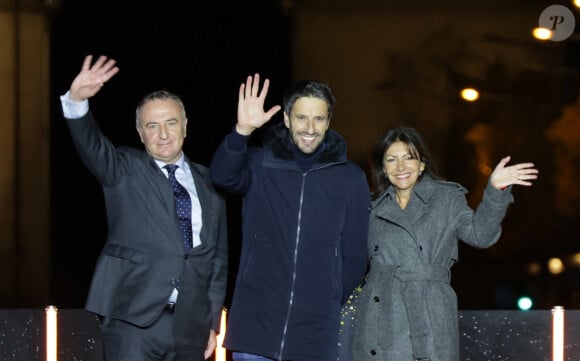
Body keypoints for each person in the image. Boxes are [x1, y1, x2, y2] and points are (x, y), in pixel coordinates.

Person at [59, 55, 228, 361]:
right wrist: (76, 101)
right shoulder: (124, 169)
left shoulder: (210, 182)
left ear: (186, 126)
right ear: (140, 133)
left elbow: (217, 261)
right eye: (152, 125)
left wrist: (212, 323)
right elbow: (92, 145)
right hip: (133, 323)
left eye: (171, 122)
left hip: (191, 326)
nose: (163, 134)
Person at [210, 74, 370, 361]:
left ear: (329, 121)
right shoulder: (259, 163)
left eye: (319, 119)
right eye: (301, 117)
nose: (310, 128)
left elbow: (355, 256)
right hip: (254, 330)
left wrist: (325, 300)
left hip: (313, 337)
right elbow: (221, 175)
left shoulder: (351, 179)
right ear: (286, 119)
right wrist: (242, 131)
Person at [351, 127, 539, 361]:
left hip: (429, 314)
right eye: (392, 159)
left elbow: (480, 235)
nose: (400, 167)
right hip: (378, 317)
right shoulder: (372, 208)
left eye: (409, 157)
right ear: (384, 168)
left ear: (421, 165)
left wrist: (495, 192)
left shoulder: (446, 198)